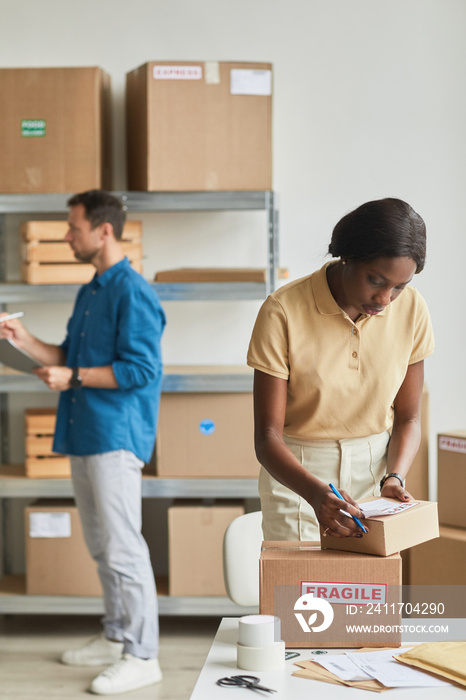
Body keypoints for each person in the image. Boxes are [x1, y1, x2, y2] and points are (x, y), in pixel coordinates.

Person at [0, 190, 166, 695]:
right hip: (86, 431)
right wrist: (19, 339)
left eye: (73, 228)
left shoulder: (132, 292)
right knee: (101, 546)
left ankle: (144, 656)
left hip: (117, 436)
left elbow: (140, 370)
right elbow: (64, 355)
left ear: (104, 230)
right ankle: (117, 636)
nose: (67, 236)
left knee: (122, 547)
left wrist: (70, 374)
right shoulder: (91, 289)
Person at [247, 198, 434, 542]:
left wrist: (394, 478)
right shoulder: (282, 311)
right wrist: (316, 494)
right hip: (298, 479)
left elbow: (408, 418)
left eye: (399, 287)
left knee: (364, 595)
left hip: (374, 479)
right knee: (296, 593)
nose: (385, 299)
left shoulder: (412, 309)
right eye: (375, 280)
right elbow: (266, 438)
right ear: (347, 257)